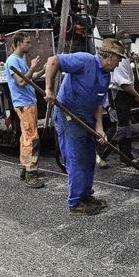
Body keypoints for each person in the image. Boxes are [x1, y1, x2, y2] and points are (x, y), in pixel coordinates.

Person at [45, 39, 125, 216]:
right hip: (68, 116)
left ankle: (86, 195)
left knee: (89, 158)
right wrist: (49, 89)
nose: (118, 64)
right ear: (110, 57)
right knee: (77, 159)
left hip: (86, 119)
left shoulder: (105, 76)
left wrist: (100, 127)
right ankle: (76, 203)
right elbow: (53, 61)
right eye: (118, 60)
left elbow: (98, 103)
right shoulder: (85, 60)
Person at [97, 31, 139, 169]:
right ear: (118, 44)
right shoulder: (117, 59)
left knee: (126, 127)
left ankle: (126, 157)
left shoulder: (123, 58)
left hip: (123, 96)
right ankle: (100, 154)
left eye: (130, 43)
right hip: (117, 96)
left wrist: (130, 59)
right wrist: (136, 95)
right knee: (119, 128)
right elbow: (123, 83)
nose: (128, 46)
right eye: (126, 44)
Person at [5, 32, 46, 188]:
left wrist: (41, 70)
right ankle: (31, 173)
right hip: (24, 104)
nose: (30, 45)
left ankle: (25, 168)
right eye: (27, 42)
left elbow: (29, 77)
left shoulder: (20, 59)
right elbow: (22, 82)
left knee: (25, 137)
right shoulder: (12, 61)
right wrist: (33, 67)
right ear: (19, 42)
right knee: (32, 138)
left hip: (28, 103)